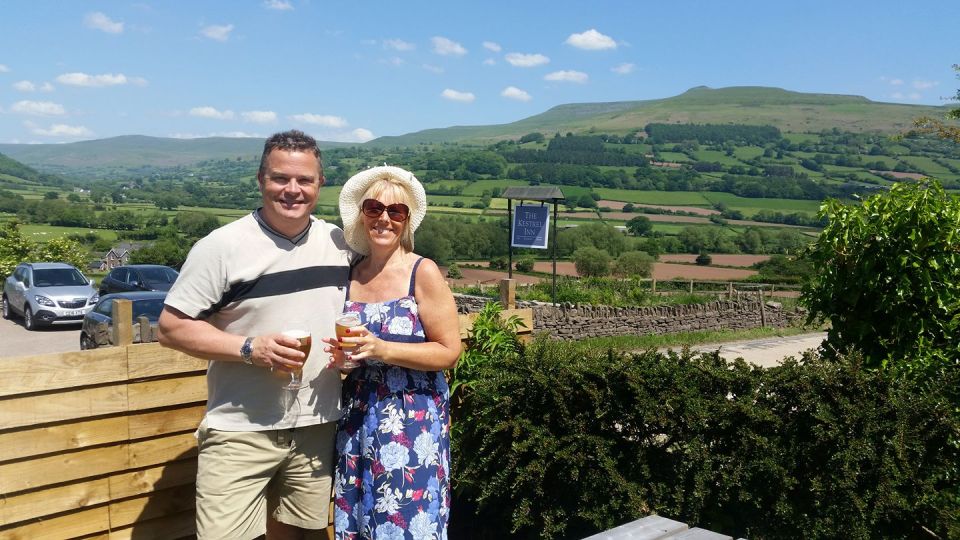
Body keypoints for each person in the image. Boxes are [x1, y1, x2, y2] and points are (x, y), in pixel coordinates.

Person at [158, 130, 353, 540]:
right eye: (281, 178)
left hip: (317, 423)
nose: (293, 190)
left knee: (303, 534)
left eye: (305, 180)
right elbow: (171, 328)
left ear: (321, 184)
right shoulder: (221, 247)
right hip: (240, 428)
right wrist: (250, 347)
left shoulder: (338, 243)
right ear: (261, 179)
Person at [325, 166, 460, 539]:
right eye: (374, 208)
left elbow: (449, 352)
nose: (384, 218)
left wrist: (382, 348)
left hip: (412, 420)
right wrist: (343, 361)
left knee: (403, 520)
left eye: (395, 211)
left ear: (407, 220)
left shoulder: (423, 272)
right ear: (362, 215)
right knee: (359, 516)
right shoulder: (352, 274)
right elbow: (351, 353)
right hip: (357, 416)